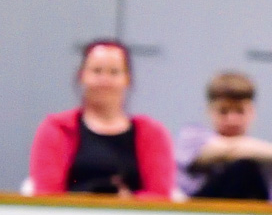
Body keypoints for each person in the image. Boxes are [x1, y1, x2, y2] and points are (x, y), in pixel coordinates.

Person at [29, 40, 175, 198]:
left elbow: (160, 196)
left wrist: (128, 202)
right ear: (82, 75)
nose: (105, 80)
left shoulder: (152, 133)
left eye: (114, 72)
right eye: (97, 71)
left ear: (127, 79)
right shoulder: (56, 129)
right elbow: (46, 194)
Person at [176, 71, 272, 203]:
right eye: (223, 111)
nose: (232, 120)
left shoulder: (265, 159)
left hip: (251, 211)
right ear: (209, 111)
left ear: (252, 112)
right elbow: (230, 150)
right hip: (201, 208)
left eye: (240, 111)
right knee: (245, 167)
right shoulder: (192, 137)